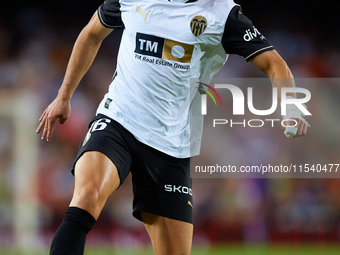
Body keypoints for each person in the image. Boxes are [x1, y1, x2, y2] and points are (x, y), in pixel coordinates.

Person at [36, 0, 309, 254]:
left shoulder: (222, 15)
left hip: (171, 145)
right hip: (118, 120)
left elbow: (274, 63)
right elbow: (91, 34)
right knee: (86, 197)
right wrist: (64, 96)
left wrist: (291, 107)